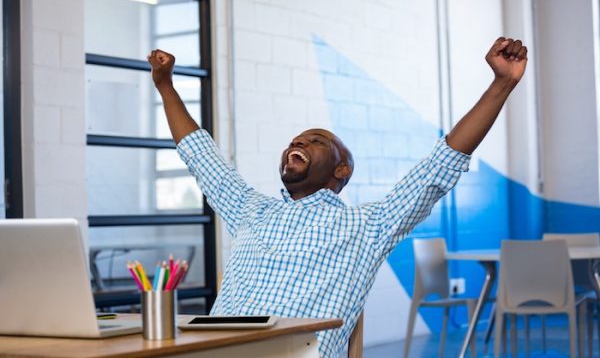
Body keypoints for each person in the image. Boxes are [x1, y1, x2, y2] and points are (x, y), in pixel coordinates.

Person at [148, 37, 528, 357]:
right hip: (210, 348)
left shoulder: (368, 224)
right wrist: (166, 86)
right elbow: (200, 154)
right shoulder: (251, 209)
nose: (298, 142)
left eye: (316, 141)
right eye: (296, 140)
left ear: (341, 170)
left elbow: (441, 164)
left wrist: (501, 85)